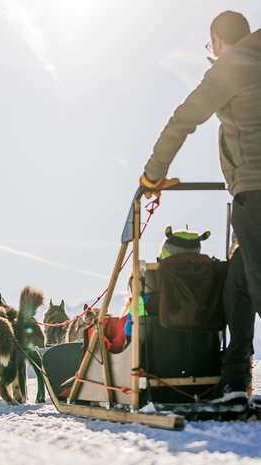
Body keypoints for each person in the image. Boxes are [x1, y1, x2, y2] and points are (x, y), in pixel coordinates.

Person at [139, 11, 261, 406]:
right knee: (239, 282)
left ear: (218, 41)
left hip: (256, 192)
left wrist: (152, 176)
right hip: (250, 192)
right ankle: (235, 382)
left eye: (212, 46)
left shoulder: (231, 67)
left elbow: (184, 120)